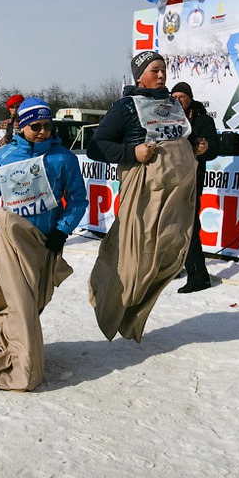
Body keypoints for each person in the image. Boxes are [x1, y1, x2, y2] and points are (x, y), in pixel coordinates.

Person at [0, 98, 87, 391]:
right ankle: (24, 371)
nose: (42, 131)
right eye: (35, 126)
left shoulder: (63, 158)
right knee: (21, 306)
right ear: (22, 126)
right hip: (11, 240)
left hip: (44, 244)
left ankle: (12, 344)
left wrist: (62, 231)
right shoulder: (5, 155)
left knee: (33, 304)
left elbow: (78, 199)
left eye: (47, 126)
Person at [87, 51, 197, 342]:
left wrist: (197, 145)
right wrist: (131, 153)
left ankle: (135, 313)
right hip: (145, 192)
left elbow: (179, 137)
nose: (161, 75)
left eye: (164, 70)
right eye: (155, 70)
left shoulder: (173, 105)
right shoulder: (126, 107)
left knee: (172, 254)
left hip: (177, 193)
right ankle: (110, 302)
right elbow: (96, 147)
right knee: (138, 258)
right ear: (140, 76)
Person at [170, 81, 219, 294]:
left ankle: (199, 276)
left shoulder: (204, 120)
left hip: (192, 179)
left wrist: (204, 148)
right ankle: (172, 267)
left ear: (190, 98)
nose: (178, 100)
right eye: (174, 96)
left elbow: (215, 148)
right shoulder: (166, 118)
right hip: (169, 179)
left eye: (182, 96)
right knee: (170, 225)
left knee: (188, 226)